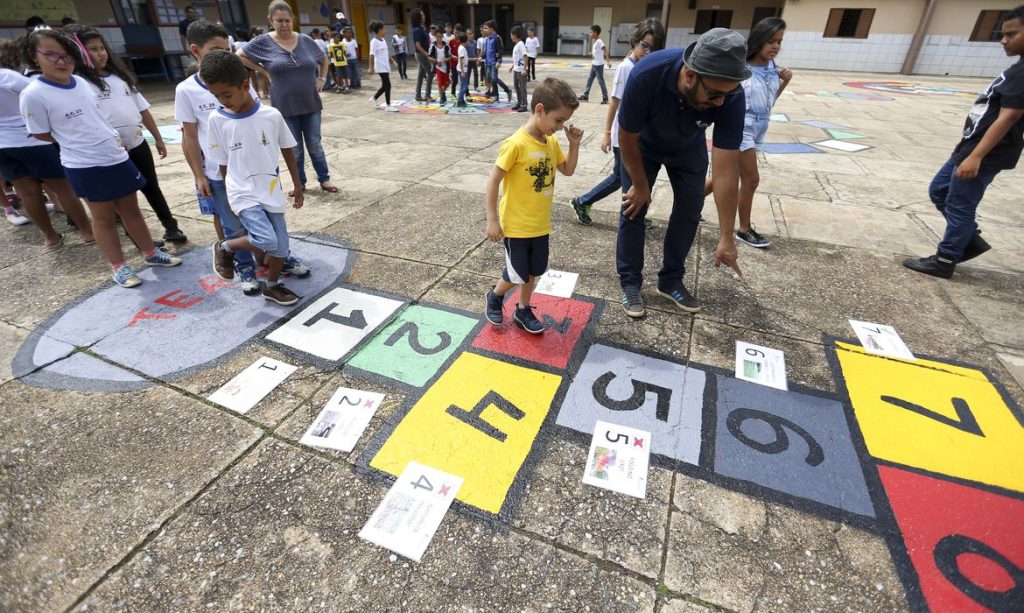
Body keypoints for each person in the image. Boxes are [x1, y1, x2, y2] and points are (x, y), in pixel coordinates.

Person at [20, 28, 181, 287]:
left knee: (132, 210)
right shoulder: (33, 94)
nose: (61, 61)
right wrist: (78, 143)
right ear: (33, 56)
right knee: (103, 217)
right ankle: (119, 267)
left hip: (116, 156)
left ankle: (150, 253)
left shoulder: (82, 83)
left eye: (67, 56)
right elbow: (41, 133)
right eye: (51, 55)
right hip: (84, 164)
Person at [616, 28, 748, 317]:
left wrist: (727, 235)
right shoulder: (647, 74)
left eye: (727, 95)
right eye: (714, 95)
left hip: (689, 147)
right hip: (643, 146)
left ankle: (671, 280)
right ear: (690, 76)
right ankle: (630, 282)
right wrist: (640, 185)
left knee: (690, 210)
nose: (720, 104)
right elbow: (626, 138)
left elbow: (726, 171)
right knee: (633, 207)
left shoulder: (730, 94)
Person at [904, 6, 1024, 279]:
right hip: (969, 147)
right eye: (1002, 34)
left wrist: (977, 156)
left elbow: (1009, 117)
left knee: (960, 204)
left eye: (1012, 34)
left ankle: (945, 259)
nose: (1004, 40)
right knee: (939, 190)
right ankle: (968, 239)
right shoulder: (1018, 68)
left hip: (984, 152)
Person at [69, 24, 188, 244]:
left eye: (102, 48)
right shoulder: (80, 85)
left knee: (151, 187)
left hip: (137, 143)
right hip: (112, 152)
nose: (100, 53)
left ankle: (171, 227)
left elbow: (142, 109)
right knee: (124, 198)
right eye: (93, 49)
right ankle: (137, 238)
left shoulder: (120, 78)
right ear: (80, 53)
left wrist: (158, 138)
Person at [203, 50, 305, 306]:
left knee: (281, 247)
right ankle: (225, 247)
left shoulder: (271, 115)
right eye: (216, 96)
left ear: (245, 85)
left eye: (227, 94)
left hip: (270, 188)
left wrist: (297, 183)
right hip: (242, 191)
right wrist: (229, 197)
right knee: (266, 239)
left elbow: (288, 149)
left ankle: (272, 286)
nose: (222, 101)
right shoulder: (217, 119)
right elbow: (224, 164)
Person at [484, 78, 583, 334]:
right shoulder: (516, 143)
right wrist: (492, 219)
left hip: (540, 224)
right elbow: (493, 180)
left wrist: (574, 145)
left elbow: (568, 170)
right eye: (558, 120)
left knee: (533, 271)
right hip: (516, 225)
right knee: (518, 273)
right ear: (540, 110)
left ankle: (522, 309)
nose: (561, 127)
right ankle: (495, 296)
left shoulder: (550, 142)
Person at [177, 20, 260, 294]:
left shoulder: (240, 78)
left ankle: (274, 257)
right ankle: (244, 266)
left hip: (252, 167)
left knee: (263, 216)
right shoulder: (186, 90)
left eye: (227, 49)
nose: (223, 56)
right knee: (231, 223)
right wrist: (199, 175)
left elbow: (257, 119)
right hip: (218, 172)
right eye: (215, 50)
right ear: (195, 50)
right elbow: (189, 136)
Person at [701, 17, 792, 249]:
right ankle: (744, 229)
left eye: (779, 42)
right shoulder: (742, 69)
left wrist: (783, 83)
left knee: (723, 178)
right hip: (742, 127)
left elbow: (768, 102)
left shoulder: (773, 69)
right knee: (751, 179)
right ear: (759, 40)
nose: (775, 46)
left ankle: (687, 204)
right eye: (771, 41)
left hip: (760, 126)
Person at [570, 19, 665, 227]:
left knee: (620, 177)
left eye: (653, 48)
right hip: (623, 135)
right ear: (635, 42)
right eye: (644, 46)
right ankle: (629, 217)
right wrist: (606, 133)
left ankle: (583, 201)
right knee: (627, 180)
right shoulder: (626, 68)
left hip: (636, 134)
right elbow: (615, 102)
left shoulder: (643, 65)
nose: (648, 51)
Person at [237, 1, 338, 193]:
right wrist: (263, 71)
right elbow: (239, 55)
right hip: (284, 106)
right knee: (295, 148)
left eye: (287, 20)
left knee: (315, 144)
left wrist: (322, 77)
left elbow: (323, 58)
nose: (284, 25)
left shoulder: (305, 40)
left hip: (310, 102)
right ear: (270, 20)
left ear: (293, 20)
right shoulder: (263, 42)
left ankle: (324, 179)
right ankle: (299, 183)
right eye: (279, 21)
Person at [0, 39, 93, 246]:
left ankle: (50, 237)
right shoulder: (9, 77)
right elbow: (41, 92)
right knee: (63, 188)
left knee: (27, 193)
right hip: (32, 140)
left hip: (3, 146)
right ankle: (87, 231)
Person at [367, 20, 397, 111]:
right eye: (384, 29)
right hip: (380, 66)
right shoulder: (374, 41)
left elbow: (386, 52)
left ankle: (374, 98)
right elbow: (371, 55)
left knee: (385, 85)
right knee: (388, 85)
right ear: (379, 30)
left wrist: (392, 60)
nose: (385, 30)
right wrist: (370, 67)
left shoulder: (383, 40)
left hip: (385, 65)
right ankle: (388, 106)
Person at [579, 25, 609, 104]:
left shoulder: (599, 41)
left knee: (600, 81)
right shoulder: (596, 42)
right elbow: (598, 51)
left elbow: (605, 49)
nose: (590, 34)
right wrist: (592, 53)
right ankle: (585, 95)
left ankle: (605, 97)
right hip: (594, 64)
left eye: (591, 32)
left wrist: (608, 61)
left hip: (599, 65)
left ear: (595, 33)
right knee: (589, 79)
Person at [482, 20, 511, 102]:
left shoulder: (497, 38)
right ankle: (496, 96)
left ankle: (507, 90)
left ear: (492, 29)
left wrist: (499, 60)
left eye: (486, 28)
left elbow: (500, 50)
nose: (484, 30)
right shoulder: (487, 39)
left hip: (494, 62)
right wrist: (481, 57)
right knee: (490, 79)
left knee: (494, 78)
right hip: (487, 62)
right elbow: (486, 51)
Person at [412, 10, 434, 101]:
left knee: (421, 75)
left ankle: (418, 95)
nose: (424, 16)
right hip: (421, 54)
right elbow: (418, 45)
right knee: (431, 73)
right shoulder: (417, 30)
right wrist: (427, 55)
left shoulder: (422, 28)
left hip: (422, 54)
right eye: (422, 15)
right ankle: (427, 95)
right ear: (418, 17)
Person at [509, 26, 528, 112]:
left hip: (521, 70)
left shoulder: (521, 44)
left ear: (515, 35)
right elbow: (517, 57)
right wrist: (513, 66)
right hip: (516, 69)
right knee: (516, 86)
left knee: (522, 87)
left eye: (511, 35)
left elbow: (525, 56)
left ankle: (524, 105)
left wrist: (524, 69)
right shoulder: (516, 44)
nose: (511, 37)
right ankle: (519, 102)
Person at [429, 29, 450, 105]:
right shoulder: (433, 46)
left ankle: (443, 94)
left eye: (440, 37)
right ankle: (442, 98)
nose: (439, 39)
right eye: (437, 37)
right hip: (438, 67)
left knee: (447, 83)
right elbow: (429, 57)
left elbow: (449, 56)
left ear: (442, 37)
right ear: (435, 37)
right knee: (440, 83)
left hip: (446, 67)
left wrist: (445, 60)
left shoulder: (446, 46)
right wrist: (436, 61)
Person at [448, 24, 463, 99]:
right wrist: (452, 56)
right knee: (455, 80)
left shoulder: (462, 41)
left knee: (463, 80)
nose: (456, 34)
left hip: (461, 64)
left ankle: (466, 93)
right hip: (453, 64)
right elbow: (448, 52)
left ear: (461, 33)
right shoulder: (451, 41)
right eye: (455, 32)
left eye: (458, 33)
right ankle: (453, 93)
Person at [456, 31, 469, 107]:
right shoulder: (462, 48)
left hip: (463, 69)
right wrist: (463, 71)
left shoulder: (462, 48)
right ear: (466, 40)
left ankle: (461, 99)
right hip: (462, 70)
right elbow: (461, 60)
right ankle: (460, 100)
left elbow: (464, 59)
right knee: (464, 85)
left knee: (463, 85)